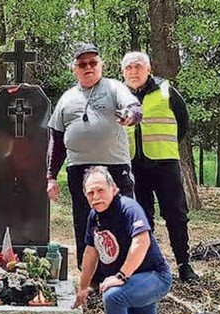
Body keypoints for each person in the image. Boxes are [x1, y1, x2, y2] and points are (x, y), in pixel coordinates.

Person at [73, 166, 219, 314]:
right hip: (133, 283)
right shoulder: (94, 217)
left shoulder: (129, 208)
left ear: (113, 189)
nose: (95, 196)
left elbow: (142, 242)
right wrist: (83, 288)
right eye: (90, 193)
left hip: (153, 277)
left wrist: (121, 276)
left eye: (100, 190)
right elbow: (91, 252)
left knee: (113, 296)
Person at [46, 43, 143, 284]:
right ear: (74, 69)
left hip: (113, 168)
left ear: (101, 65)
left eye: (93, 63)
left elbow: (133, 107)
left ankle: (124, 274)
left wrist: (131, 115)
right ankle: (90, 277)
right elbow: (56, 140)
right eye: (82, 64)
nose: (88, 67)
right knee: (85, 222)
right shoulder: (67, 98)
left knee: (121, 218)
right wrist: (50, 176)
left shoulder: (114, 87)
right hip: (79, 168)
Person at [121, 51, 199, 282]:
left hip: (165, 163)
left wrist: (167, 145)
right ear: (122, 72)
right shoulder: (120, 94)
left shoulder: (166, 90)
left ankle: (184, 265)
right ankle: (148, 263)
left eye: (138, 67)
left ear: (149, 70)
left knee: (175, 214)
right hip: (134, 164)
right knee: (141, 216)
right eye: (128, 68)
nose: (133, 72)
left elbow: (182, 122)